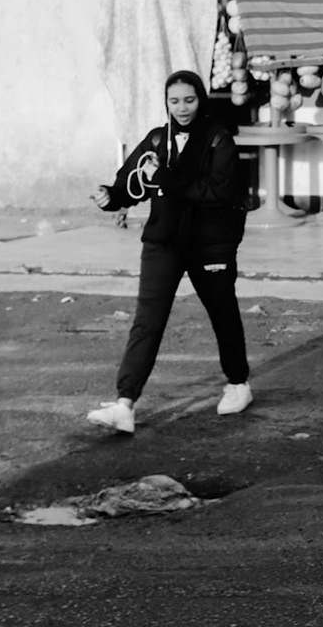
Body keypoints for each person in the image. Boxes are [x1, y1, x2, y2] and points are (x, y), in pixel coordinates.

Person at [86, 70, 252, 434]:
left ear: (200, 100)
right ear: (166, 103)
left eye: (189, 100)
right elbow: (129, 184)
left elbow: (218, 191)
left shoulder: (218, 139)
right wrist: (110, 197)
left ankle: (238, 383)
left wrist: (165, 177)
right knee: (147, 322)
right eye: (174, 101)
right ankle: (124, 404)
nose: (182, 108)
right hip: (164, 242)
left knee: (222, 313)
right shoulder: (158, 140)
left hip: (210, 243)